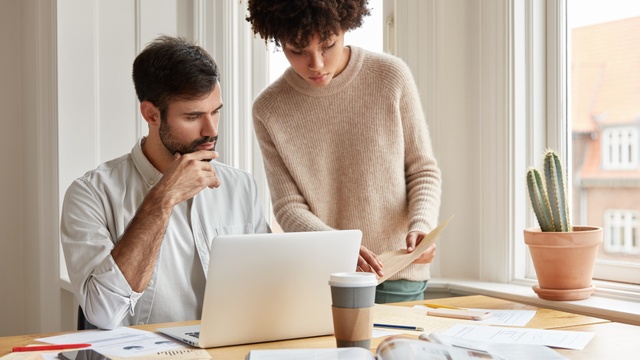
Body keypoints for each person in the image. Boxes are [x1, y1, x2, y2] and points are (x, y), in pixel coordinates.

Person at [60, 35, 269, 330]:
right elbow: (102, 312)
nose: (210, 129)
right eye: (193, 116)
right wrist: (162, 198)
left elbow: (268, 289)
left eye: (215, 112)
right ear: (151, 114)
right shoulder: (90, 195)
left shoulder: (242, 188)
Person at [246, 0, 442, 303]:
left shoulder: (390, 76)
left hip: (396, 272)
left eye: (328, 45)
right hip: (325, 276)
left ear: (345, 26)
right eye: (297, 50)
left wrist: (422, 227)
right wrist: (340, 248)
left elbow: (422, 171)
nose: (317, 64)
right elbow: (288, 207)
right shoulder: (269, 109)